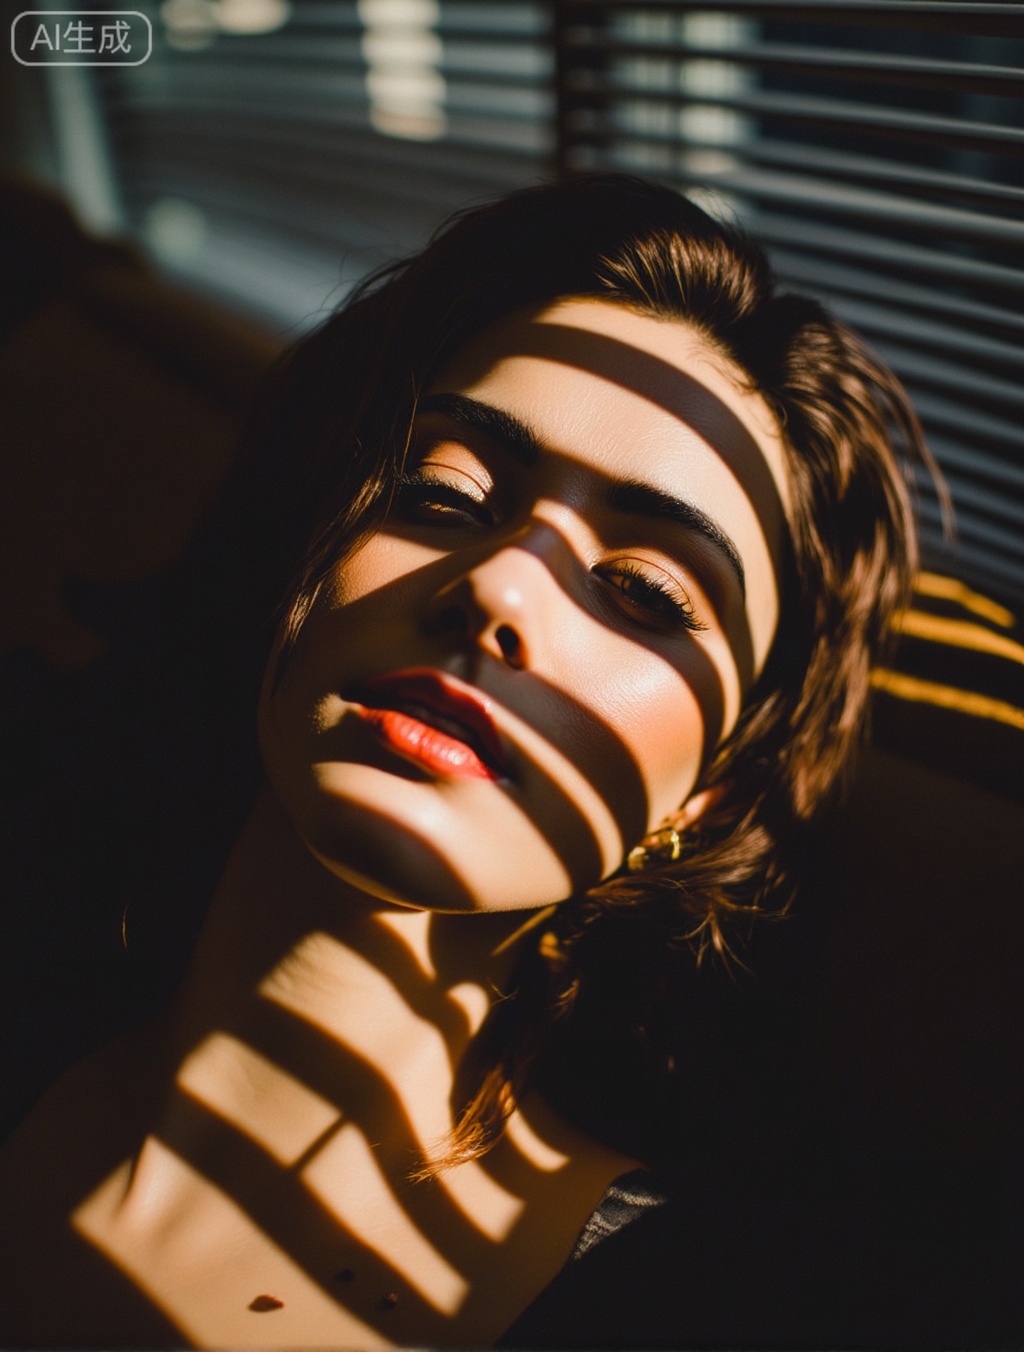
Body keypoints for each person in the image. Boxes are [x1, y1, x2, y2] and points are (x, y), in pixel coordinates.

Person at [0, 174, 930, 1348]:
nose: (501, 583)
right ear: (300, 548)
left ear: (708, 793)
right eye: (444, 491)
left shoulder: (723, 1297)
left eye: (642, 591)